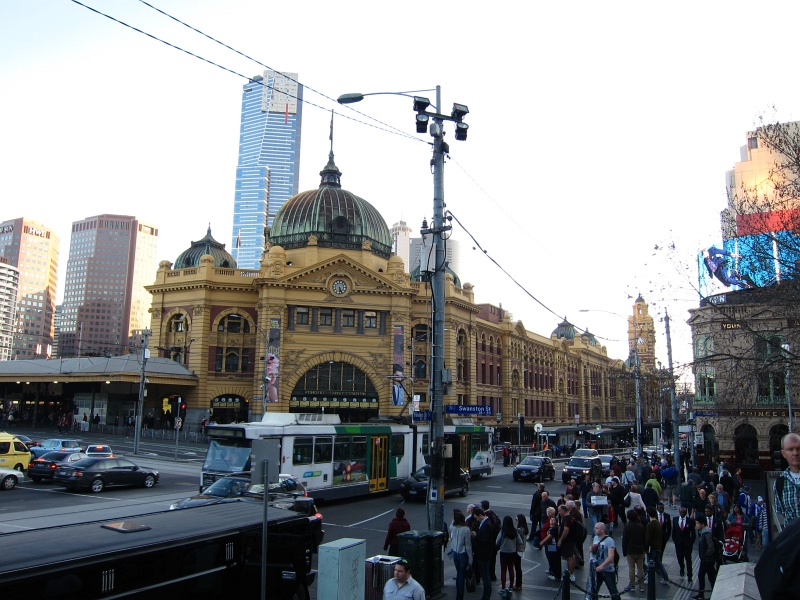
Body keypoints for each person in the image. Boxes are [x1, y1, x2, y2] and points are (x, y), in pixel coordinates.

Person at [589, 522, 621, 600]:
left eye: (597, 528)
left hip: (607, 570)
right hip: (596, 568)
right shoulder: (596, 538)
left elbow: (611, 557)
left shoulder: (609, 541)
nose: (594, 530)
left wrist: (601, 566)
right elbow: (595, 551)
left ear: (602, 530)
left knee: (613, 591)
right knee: (594, 589)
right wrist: (592, 549)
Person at [774, 432, 800, 525]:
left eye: (798, 449)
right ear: (783, 453)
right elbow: (783, 514)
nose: (795, 453)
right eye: (790, 449)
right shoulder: (780, 483)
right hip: (792, 538)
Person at [447, 509, 472, 600]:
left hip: (455, 553)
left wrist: (453, 519)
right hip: (463, 553)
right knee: (462, 575)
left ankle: (459, 595)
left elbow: (450, 527)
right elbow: (468, 545)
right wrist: (471, 559)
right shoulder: (466, 529)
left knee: (459, 574)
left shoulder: (453, 527)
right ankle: (460, 596)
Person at [470, 507, 493, 600]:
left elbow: (484, 540)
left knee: (485, 576)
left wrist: (476, 536)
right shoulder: (485, 523)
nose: (476, 519)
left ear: (480, 515)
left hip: (484, 554)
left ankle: (486, 596)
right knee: (485, 575)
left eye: (476, 517)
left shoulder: (486, 525)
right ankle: (486, 596)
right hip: (483, 553)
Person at [621, 509, 646, 593]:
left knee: (631, 569)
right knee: (640, 569)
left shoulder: (627, 527)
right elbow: (644, 539)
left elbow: (624, 540)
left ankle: (632, 585)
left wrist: (624, 551)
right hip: (639, 550)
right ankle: (641, 586)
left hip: (630, 550)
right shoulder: (640, 526)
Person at [694, 515, 718, 600]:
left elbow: (711, 548)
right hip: (704, 560)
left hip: (708, 560)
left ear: (702, 524)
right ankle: (701, 594)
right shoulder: (702, 532)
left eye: (697, 523)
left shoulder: (706, 533)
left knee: (711, 578)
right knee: (701, 576)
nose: (696, 525)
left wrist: (705, 555)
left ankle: (714, 595)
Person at [644, 507, 670, 586]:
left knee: (650, 563)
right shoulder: (658, 523)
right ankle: (665, 577)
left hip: (652, 547)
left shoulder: (650, 524)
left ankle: (649, 578)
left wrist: (646, 548)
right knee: (658, 563)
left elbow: (648, 538)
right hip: (658, 546)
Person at [672, 506, 696, 582]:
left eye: (684, 512)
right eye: (681, 512)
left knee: (688, 560)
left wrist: (691, 542)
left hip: (687, 544)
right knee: (680, 558)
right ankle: (682, 568)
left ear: (686, 513)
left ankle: (690, 575)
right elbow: (674, 532)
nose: (682, 513)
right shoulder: (675, 519)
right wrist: (675, 541)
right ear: (679, 512)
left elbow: (693, 533)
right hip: (678, 544)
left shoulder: (690, 521)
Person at [481, 500, 501, 581]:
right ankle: (492, 574)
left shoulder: (486, 516)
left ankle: (489, 575)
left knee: (488, 560)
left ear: (483, 507)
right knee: (493, 559)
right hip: (495, 542)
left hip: (489, 542)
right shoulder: (493, 514)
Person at [496, 516, 518, 593]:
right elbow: (520, 542)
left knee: (503, 570)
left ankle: (503, 587)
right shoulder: (515, 532)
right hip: (512, 552)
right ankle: (511, 586)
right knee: (511, 569)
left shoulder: (502, 531)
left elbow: (497, 542)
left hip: (504, 552)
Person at [556, 504, 577, 583]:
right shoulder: (571, 518)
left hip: (568, 541)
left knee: (569, 557)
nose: (559, 513)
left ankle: (571, 574)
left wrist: (560, 540)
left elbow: (566, 530)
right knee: (571, 556)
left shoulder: (566, 519)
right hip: (571, 541)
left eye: (559, 511)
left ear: (564, 511)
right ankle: (571, 573)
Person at [540, 513, 561, 581]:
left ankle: (556, 575)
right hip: (551, 546)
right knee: (551, 559)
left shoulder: (554, 529)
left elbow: (550, 536)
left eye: (553, 520)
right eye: (551, 520)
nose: (551, 521)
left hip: (553, 546)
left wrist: (542, 542)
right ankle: (553, 571)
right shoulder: (552, 528)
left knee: (554, 560)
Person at [513, 514, 528, 591]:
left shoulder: (519, 530)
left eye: (516, 520)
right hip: (521, 549)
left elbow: (518, 540)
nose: (516, 521)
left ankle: (518, 584)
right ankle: (519, 584)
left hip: (518, 549)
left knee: (517, 567)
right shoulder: (524, 529)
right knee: (518, 567)